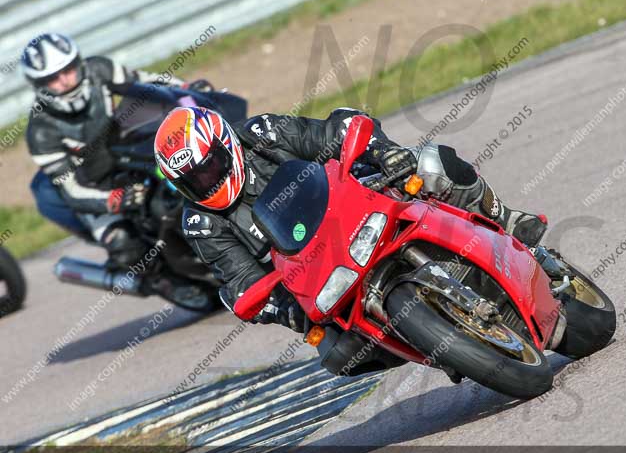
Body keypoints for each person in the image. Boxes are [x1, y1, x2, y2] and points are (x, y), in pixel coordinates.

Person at [153, 106, 547, 327]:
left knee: (428, 162)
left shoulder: (264, 133)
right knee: (334, 349)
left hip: (357, 201)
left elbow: (336, 129)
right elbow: (242, 281)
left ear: (226, 144)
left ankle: (504, 219)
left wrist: (382, 151)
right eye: (192, 181)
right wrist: (279, 307)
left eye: (208, 168)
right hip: (316, 270)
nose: (206, 182)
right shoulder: (201, 222)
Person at [21, 32, 188, 269]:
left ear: (79, 63)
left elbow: (149, 83)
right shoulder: (40, 130)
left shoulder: (99, 69)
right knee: (125, 247)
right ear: (39, 86)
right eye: (53, 78)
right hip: (96, 187)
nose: (65, 80)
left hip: (132, 156)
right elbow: (71, 192)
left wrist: (187, 89)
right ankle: (171, 284)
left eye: (68, 69)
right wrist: (114, 200)